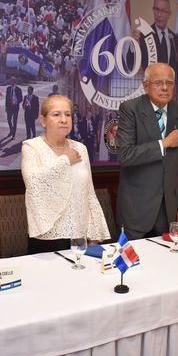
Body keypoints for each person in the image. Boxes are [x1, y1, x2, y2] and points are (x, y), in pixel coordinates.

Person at [21, 95, 109, 254]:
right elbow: (33, 182)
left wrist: (94, 232)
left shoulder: (80, 148)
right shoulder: (31, 147)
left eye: (68, 114)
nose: (64, 120)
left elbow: (88, 192)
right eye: (56, 114)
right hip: (46, 237)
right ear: (43, 120)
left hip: (79, 235)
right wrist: (65, 160)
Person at [116, 62, 178, 240]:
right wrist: (163, 143)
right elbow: (125, 155)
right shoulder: (130, 109)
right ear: (146, 86)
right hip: (137, 209)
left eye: (170, 83)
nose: (165, 88)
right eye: (158, 83)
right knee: (133, 265)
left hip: (169, 210)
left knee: (167, 264)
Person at [131, 0, 178, 82]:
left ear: (169, 14)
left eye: (163, 11)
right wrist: (134, 44)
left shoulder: (175, 39)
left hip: (168, 91)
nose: (158, 14)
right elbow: (130, 63)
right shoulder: (143, 36)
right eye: (156, 9)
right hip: (149, 90)